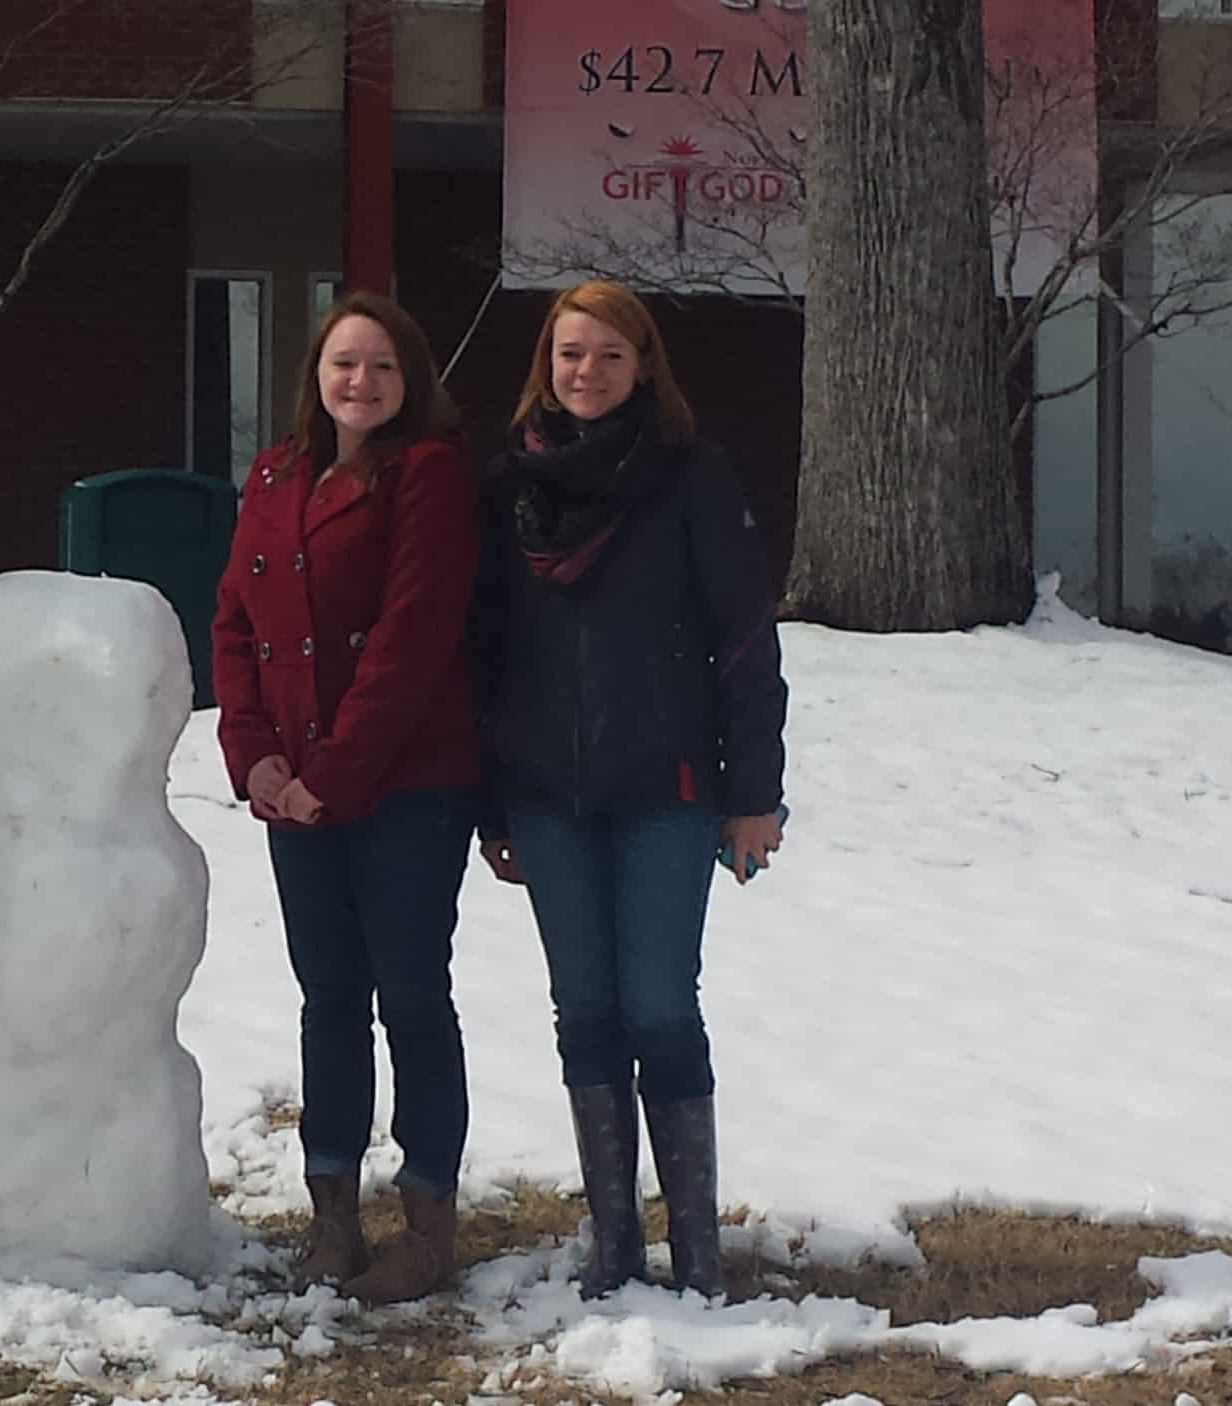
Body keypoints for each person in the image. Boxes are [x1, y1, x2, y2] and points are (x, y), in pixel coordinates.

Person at [473, 280, 788, 1300]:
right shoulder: (511, 483)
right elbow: (480, 649)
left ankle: (693, 1252)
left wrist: (755, 792)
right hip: (544, 794)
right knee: (585, 1010)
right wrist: (491, 801)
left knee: (658, 1006)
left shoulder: (688, 476)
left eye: (610, 355)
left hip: (668, 786)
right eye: (570, 354)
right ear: (544, 364)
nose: (588, 373)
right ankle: (615, 1248)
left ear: (643, 364)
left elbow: (743, 640)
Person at [211, 291, 480, 1303]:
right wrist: (258, 761)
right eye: (342, 365)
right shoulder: (276, 471)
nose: (359, 383)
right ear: (313, 375)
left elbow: (414, 637)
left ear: (409, 382)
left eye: (380, 368)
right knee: (327, 1000)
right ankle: (332, 1216)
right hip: (294, 789)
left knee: (409, 992)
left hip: (406, 783)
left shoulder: (430, 476)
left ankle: (426, 1222)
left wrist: (334, 773)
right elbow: (235, 620)